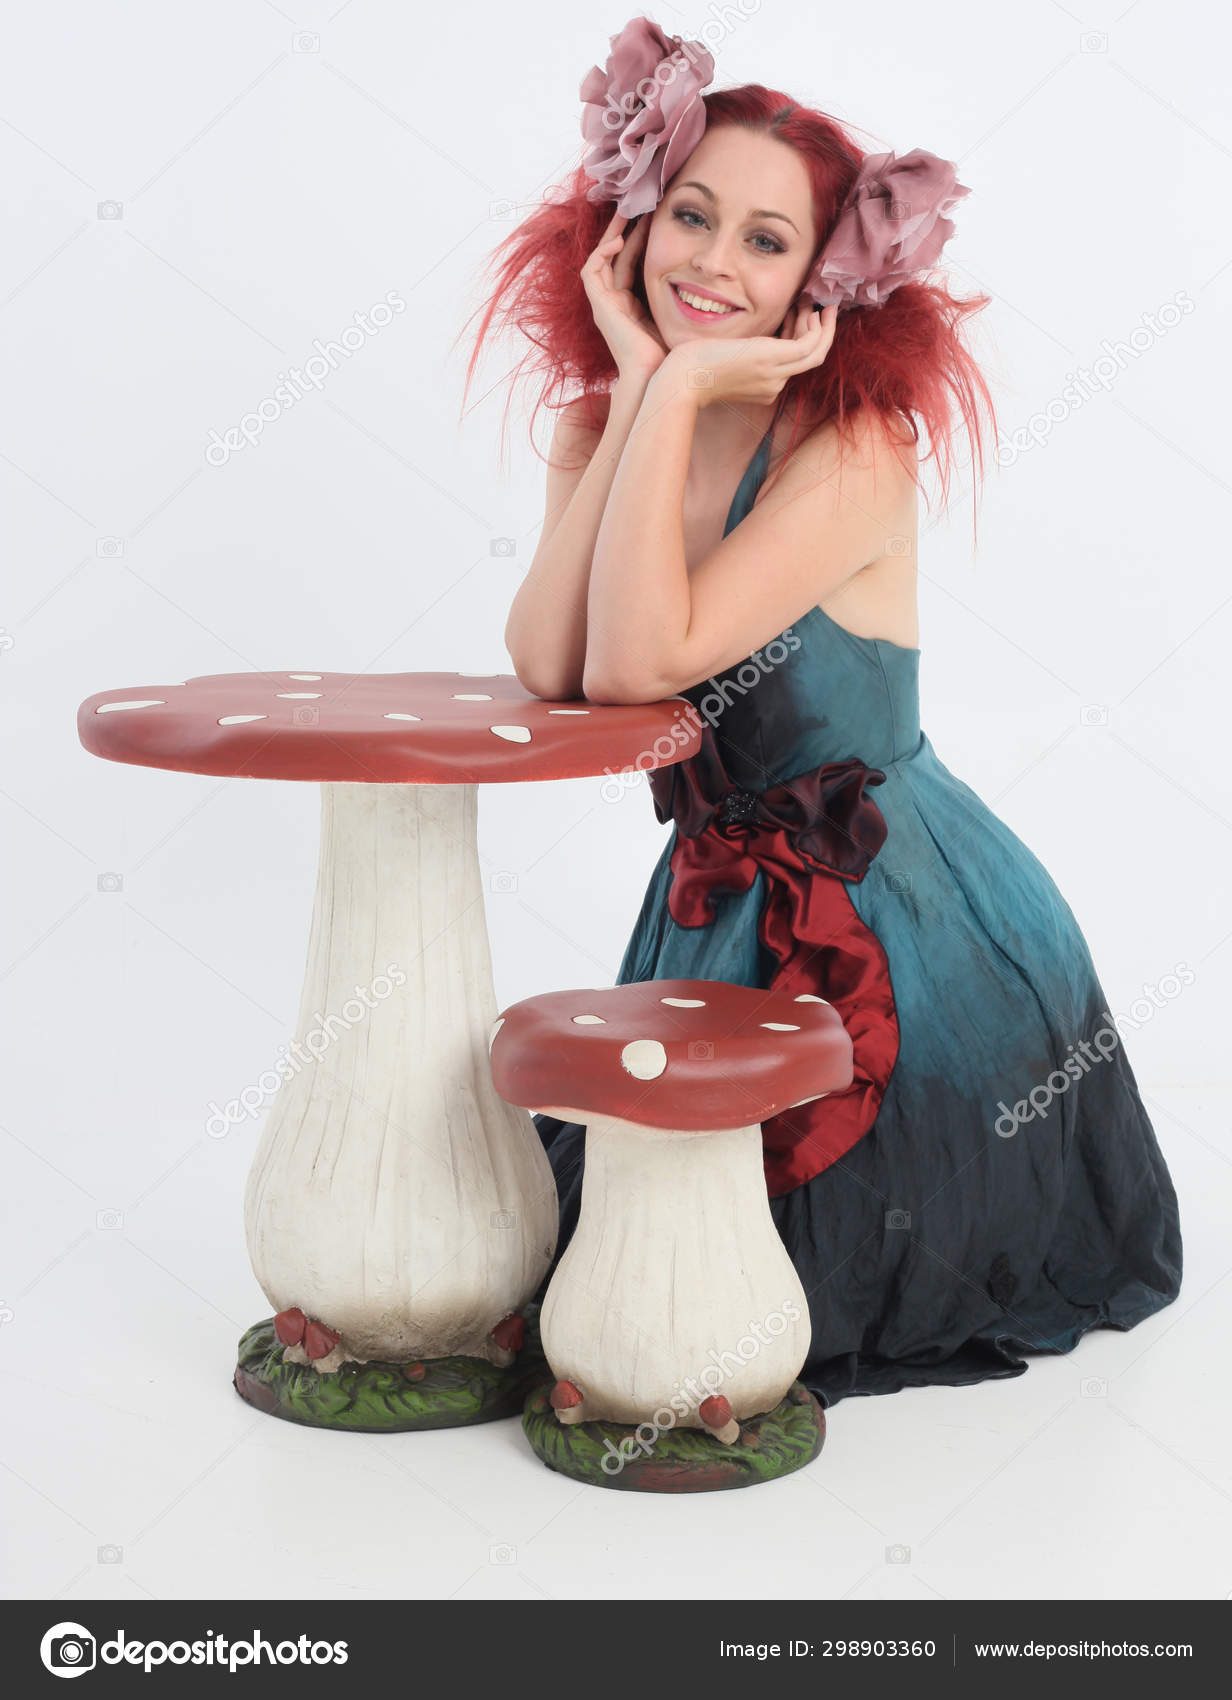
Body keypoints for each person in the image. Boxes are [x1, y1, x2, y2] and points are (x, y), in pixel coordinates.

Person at [461, 18, 1182, 1408]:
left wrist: (667, 387)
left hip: (898, 903)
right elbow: (553, 662)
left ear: (827, 279)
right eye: (690, 217)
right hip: (714, 885)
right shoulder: (602, 422)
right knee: (632, 1234)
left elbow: (635, 669)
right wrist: (636, 404)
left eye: (766, 241)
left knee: (780, 1267)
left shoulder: (855, 449)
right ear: (630, 224)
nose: (713, 266)